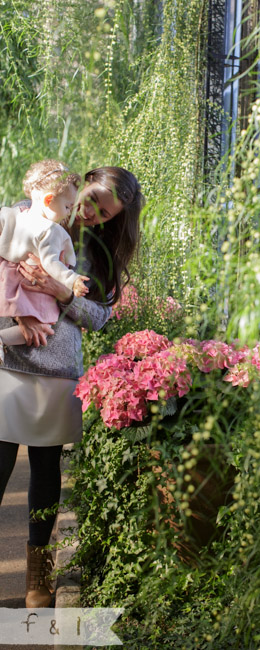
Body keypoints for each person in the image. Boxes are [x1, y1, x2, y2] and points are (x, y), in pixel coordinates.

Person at [0, 166, 143, 608]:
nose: (93, 213)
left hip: (59, 371)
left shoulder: (99, 252)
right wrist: (17, 311)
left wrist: (60, 294)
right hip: (9, 360)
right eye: (93, 200)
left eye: (105, 213)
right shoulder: (33, 210)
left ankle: (37, 579)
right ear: (82, 183)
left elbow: (99, 317)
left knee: (45, 475)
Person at [0, 159, 91, 365]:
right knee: (46, 325)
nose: (70, 212)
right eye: (68, 206)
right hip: (31, 286)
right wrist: (72, 279)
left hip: (7, 283)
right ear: (49, 200)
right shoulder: (50, 230)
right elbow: (52, 264)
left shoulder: (14, 213)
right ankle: (2, 339)